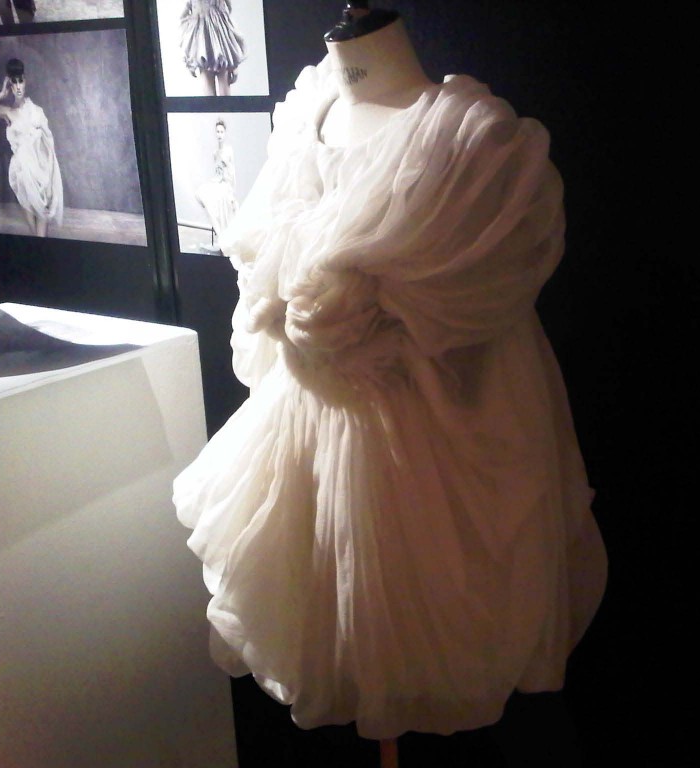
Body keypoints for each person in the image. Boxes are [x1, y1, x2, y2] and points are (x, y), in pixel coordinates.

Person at [173, 13, 607, 741]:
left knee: (424, 616)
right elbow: (265, 276)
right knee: (327, 606)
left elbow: (488, 284)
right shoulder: (301, 121)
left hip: (433, 448)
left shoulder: (473, 141)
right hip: (304, 440)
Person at [0, 58, 63, 238]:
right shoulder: (8, 112)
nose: (18, 86)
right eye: (14, 82)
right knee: (35, 229)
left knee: (42, 219)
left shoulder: (37, 111)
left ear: (25, 81)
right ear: (10, 85)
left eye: (20, 81)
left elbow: (48, 145)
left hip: (41, 171)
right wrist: (1, 94)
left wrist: (49, 179)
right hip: (21, 173)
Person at [180, 0, 247, 96]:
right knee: (209, 92)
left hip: (220, 45)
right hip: (203, 44)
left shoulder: (221, 9)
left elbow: (228, 21)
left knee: (223, 91)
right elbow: (183, 18)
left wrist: (233, 64)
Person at [194, 117, 237, 251]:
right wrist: (214, 181)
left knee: (216, 204)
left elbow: (232, 173)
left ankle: (222, 238)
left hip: (226, 185)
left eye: (221, 132)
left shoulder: (228, 150)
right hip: (218, 183)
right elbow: (217, 173)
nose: (219, 135)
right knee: (202, 195)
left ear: (225, 133)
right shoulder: (215, 153)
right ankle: (220, 236)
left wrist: (232, 192)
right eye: (217, 132)